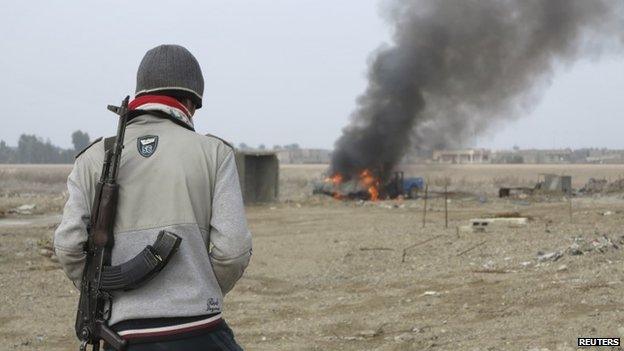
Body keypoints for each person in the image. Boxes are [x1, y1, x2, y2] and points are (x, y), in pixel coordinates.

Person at [54, 44, 252, 350]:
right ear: (191, 101)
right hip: (200, 329)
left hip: (124, 335)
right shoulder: (215, 153)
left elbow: (68, 246)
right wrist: (200, 288)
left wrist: (100, 294)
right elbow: (233, 250)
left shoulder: (92, 158)